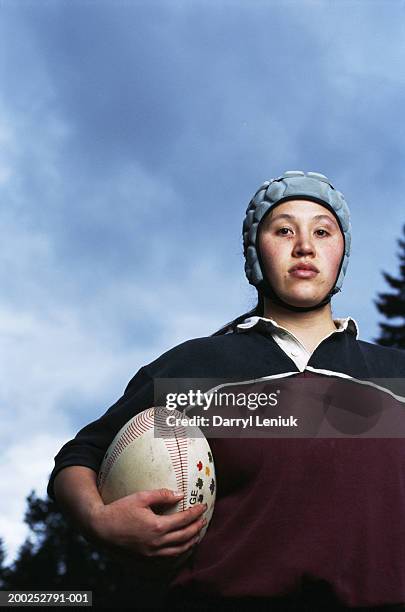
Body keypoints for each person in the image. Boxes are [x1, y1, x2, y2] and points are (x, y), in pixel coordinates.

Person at [47, 171, 405, 611]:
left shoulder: (395, 375)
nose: (304, 246)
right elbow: (79, 457)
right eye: (284, 230)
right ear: (256, 253)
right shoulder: (195, 366)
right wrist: (100, 521)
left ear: (341, 254)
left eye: (322, 231)